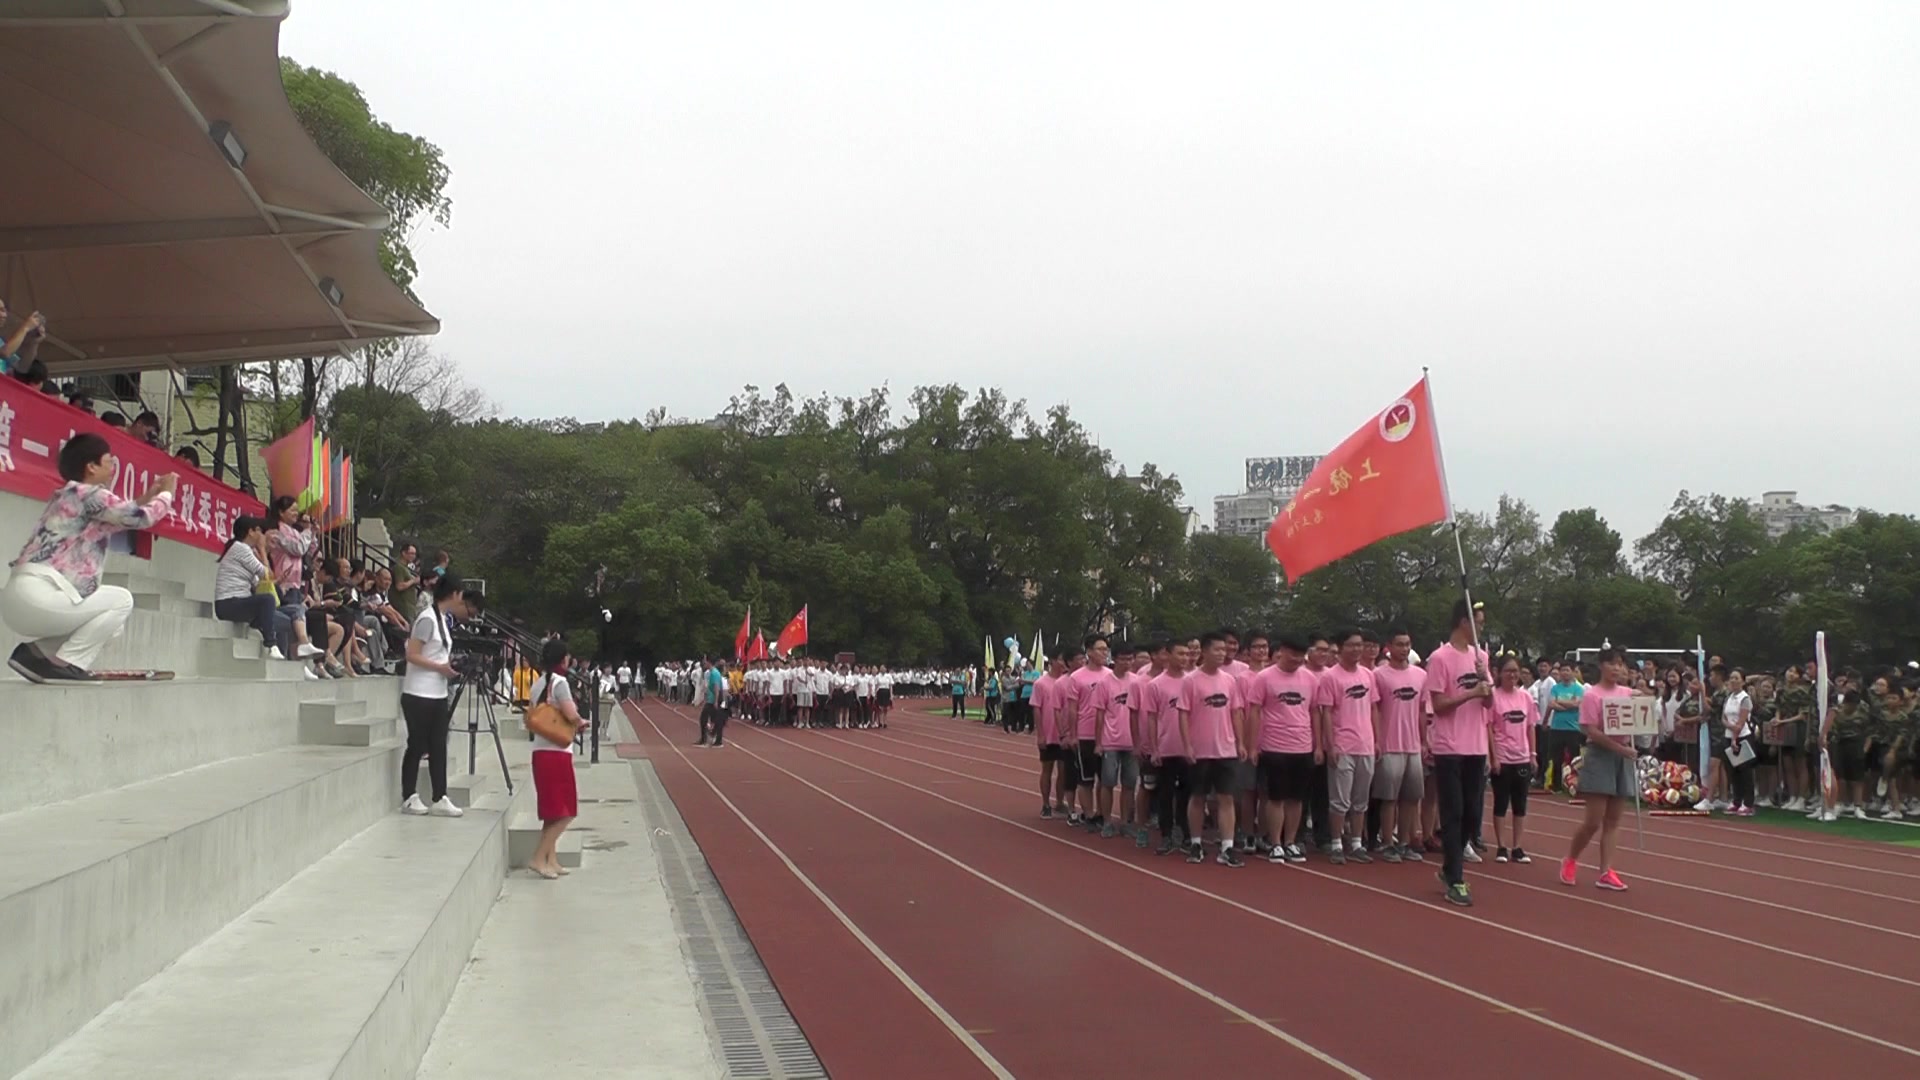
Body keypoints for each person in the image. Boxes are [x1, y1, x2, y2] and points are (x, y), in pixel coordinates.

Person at [2, 434, 176, 681]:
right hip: (40, 593)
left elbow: (122, 516)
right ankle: (66, 663)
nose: (113, 466)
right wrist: (166, 495)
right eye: (109, 460)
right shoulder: (91, 494)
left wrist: (149, 496)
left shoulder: (71, 496)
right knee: (121, 600)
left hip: (20, 598)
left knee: (113, 625)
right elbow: (141, 518)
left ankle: (35, 654)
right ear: (91, 466)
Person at [1425, 598, 1491, 907]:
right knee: (1453, 812)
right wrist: (1471, 692)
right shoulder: (1439, 658)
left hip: (1476, 746)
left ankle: (1450, 866)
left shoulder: (1481, 657)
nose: (1482, 627)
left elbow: (1489, 702)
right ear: (1464, 623)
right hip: (1450, 746)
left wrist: (1484, 681)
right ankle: (1456, 878)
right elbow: (1439, 705)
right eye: (1479, 622)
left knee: (1473, 814)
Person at [1561, 647, 1637, 890]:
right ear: (1602, 666)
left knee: (1613, 820)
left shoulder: (1628, 693)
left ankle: (1606, 871)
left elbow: (1642, 712)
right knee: (1593, 821)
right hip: (1600, 755)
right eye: (1612, 663)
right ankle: (1571, 859)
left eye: (1620, 664)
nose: (1617, 668)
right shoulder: (1592, 695)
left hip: (1623, 756)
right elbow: (1591, 730)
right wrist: (1619, 748)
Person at [1244, 634, 1318, 864]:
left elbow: (1314, 712)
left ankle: (1290, 842)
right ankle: (1275, 842)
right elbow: (1254, 712)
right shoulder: (1265, 677)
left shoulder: (1310, 678)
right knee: (1276, 797)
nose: (1296, 659)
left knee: (1296, 798)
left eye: (1300, 655)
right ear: (1282, 651)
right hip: (1274, 746)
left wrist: (1318, 745)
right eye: (1293, 654)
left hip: (1302, 746)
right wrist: (1253, 746)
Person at [400, 575, 469, 818]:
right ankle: (409, 795)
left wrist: (448, 666)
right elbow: (412, 654)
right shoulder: (427, 619)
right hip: (418, 692)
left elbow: (435, 653)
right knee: (417, 744)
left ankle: (440, 796)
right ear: (454, 594)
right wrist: (440, 668)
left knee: (438, 745)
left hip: (437, 692)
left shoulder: (441, 619)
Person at [1178, 631, 1246, 867]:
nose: (1221, 653)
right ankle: (1196, 843)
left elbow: (1236, 712)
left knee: (1226, 797)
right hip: (1200, 750)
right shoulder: (1190, 681)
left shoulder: (1229, 681)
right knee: (1198, 797)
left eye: (1224, 649)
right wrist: (1187, 745)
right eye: (1217, 649)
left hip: (1226, 750)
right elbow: (1183, 714)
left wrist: (1240, 742)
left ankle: (1227, 847)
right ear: (1204, 652)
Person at [1313, 629, 1379, 864]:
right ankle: (1336, 843)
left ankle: (1357, 843)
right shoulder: (1330, 677)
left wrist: (1377, 740)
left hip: (1366, 745)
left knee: (1360, 800)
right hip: (1343, 745)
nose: (1357, 649)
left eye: (1360, 645)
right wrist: (1330, 745)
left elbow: (1373, 708)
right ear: (1340, 648)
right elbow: (1326, 713)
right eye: (1352, 645)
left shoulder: (1368, 675)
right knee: (1340, 800)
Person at [527, 639, 589, 879]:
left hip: (540, 750)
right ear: (563, 659)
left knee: (552, 811)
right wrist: (580, 721)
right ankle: (538, 857)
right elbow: (571, 713)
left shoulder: (538, 683)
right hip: (557, 752)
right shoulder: (560, 683)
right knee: (566, 811)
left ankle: (550, 859)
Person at [1371, 629, 1427, 863]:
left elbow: (1422, 710)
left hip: (1412, 745)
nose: (1404, 649)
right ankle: (1387, 842)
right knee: (1389, 798)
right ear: (1389, 646)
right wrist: (1377, 739)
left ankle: (1404, 842)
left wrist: (1424, 741)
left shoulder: (1420, 675)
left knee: (1411, 798)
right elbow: (1374, 709)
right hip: (1389, 744)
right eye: (1400, 644)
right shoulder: (1378, 675)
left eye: (1407, 644)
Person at [213, 515, 294, 661]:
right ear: (250, 532)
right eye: (259, 531)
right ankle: (271, 645)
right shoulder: (240, 548)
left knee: (285, 622)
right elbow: (266, 574)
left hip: (237, 603)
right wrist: (262, 549)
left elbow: (259, 584)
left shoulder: (244, 550)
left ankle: (283, 659)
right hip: (228, 604)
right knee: (267, 600)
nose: (262, 535)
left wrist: (277, 581)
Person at [1487, 654, 1538, 863]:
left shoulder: (1526, 697)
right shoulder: (1493, 697)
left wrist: (1533, 755)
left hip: (1522, 757)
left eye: (1515, 671)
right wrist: (1493, 757)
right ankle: (1501, 846)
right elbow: (1489, 728)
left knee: (1520, 804)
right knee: (1501, 802)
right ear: (1499, 673)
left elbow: (1530, 727)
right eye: (1508, 671)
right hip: (1502, 757)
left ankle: (1517, 847)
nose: (1512, 675)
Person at [697, 660, 730, 747]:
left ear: (709, 663)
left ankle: (710, 739)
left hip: (713, 701)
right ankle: (711, 738)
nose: (703, 666)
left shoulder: (714, 673)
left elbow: (716, 687)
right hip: (712, 700)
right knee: (716, 720)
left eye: (705, 663)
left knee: (708, 719)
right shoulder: (712, 673)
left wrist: (716, 700)